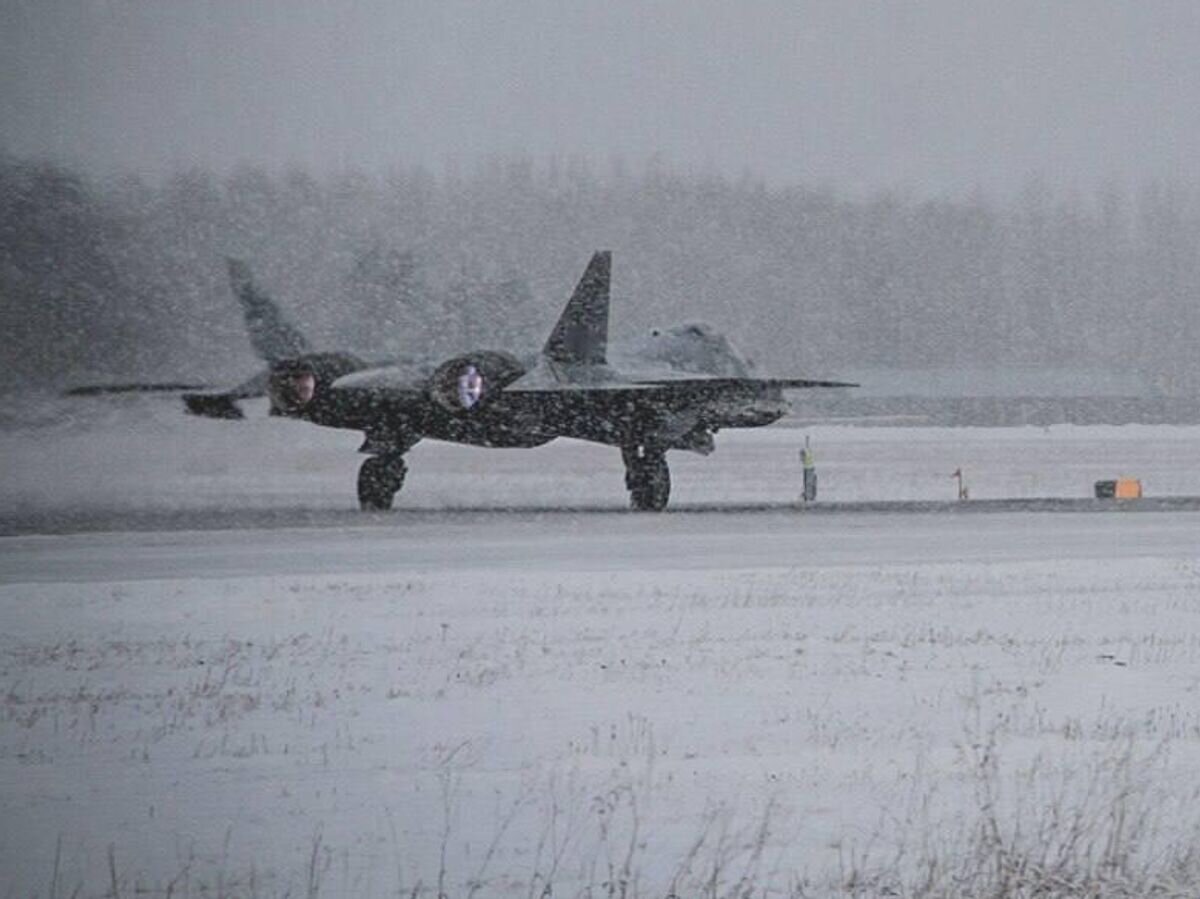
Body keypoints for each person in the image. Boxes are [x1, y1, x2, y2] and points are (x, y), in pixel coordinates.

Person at [801, 437, 817, 502]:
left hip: (808, 468)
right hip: (809, 468)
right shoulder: (809, 451)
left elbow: (803, 459)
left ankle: (809, 496)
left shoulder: (807, 452)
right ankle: (809, 495)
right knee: (809, 483)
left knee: (808, 483)